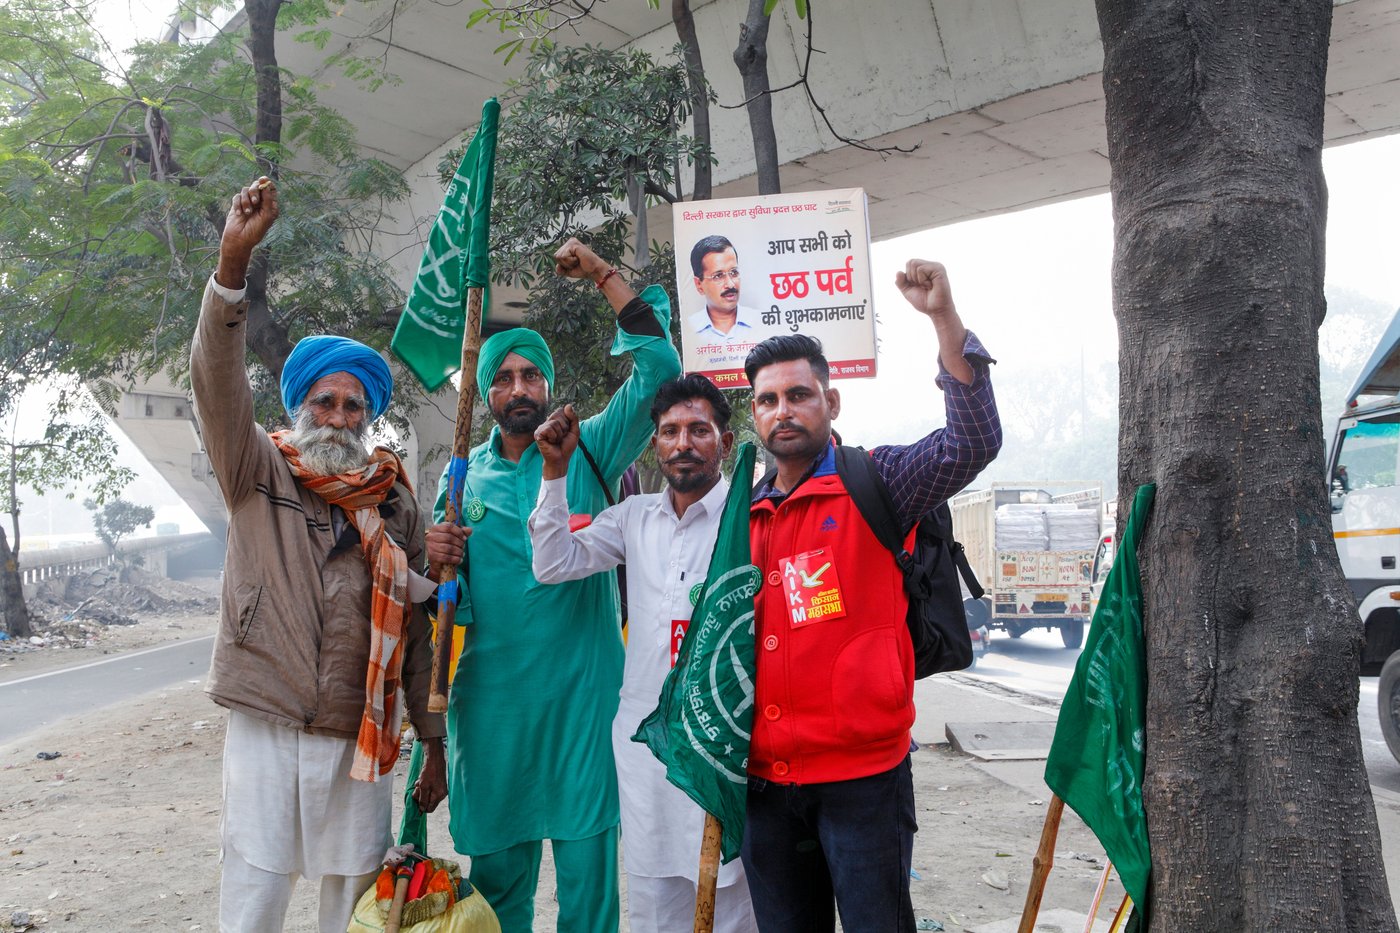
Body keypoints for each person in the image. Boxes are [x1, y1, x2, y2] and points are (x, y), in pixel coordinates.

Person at [191, 177, 446, 933]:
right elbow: (214, 380)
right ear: (298, 406)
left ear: (369, 415)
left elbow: (418, 630)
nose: (338, 414)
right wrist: (233, 263)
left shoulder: (393, 500)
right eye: (324, 401)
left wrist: (432, 743)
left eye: (353, 404)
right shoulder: (255, 468)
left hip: (355, 735)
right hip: (268, 722)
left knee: (352, 906)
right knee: (254, 903)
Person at [424, 240, 682, 933]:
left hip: (583, 702)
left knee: (589, 892)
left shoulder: (590, 446)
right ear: (485, 394)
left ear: (548, 384)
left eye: (530, 374)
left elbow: (660, 367)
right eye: (502, 378)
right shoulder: (459, 480)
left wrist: (602, 274)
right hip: (492, 709)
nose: (517, 388)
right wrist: (434, 554)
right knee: (497, 892)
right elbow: (442, 606)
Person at [740, 259, 1002, 932]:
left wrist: (944, 320)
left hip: (865, 783)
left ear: (831, 403)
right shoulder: (737, 514)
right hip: (765, 787)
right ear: (754, 417)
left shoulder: (877, 479)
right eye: (768, 400)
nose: (783, 410)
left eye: (799, 394)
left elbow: (972, 441)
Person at [527, 375, 760, 933]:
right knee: (656, 892)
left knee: (732, 892)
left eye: (699, 430)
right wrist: (555, 474)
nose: (683, 443)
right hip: (644, 743)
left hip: (724, 740)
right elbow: (552, 563)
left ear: (725, 444)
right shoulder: (633, 517)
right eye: (670, 431)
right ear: (655, 444)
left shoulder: (752, 519)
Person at [687, 235, 762, 345]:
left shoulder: (759, 321)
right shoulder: (691, 328)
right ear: (699, 284)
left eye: (734, 273)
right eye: (718, 276)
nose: (730, 284)